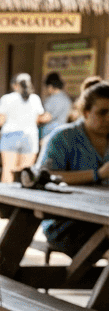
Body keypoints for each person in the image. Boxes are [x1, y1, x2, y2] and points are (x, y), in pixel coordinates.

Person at [36, 80, 109, 258]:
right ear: (85, 112)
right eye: (103, 112)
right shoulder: (63, 137)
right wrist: (97, 174)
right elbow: (44, 176)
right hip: (66, 223)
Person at [0, 73, 48, 183]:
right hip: (30, 136)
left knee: (8, 171)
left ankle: (4, 198)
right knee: (26, 173)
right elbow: (39, 119)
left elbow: (0, 121)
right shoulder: (35, 99)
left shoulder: (7, 98)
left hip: (10, 136)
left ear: (15, 85)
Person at [40, 71, 73, 146]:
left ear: (50, 86)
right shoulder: (67, 99)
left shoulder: (52, 99)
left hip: (50, 134)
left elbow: (46, 117)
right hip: (63, 133)